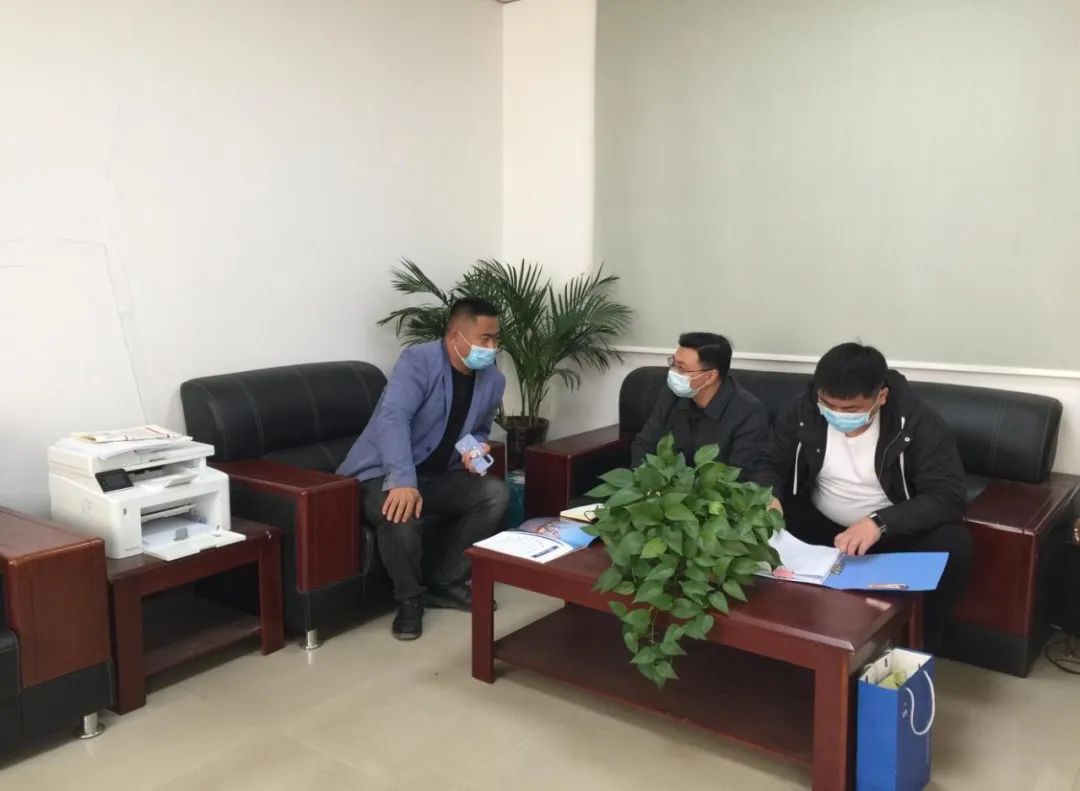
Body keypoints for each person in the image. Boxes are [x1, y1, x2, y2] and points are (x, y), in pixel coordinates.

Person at [760, 342, 972, 651]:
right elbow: (769, 462)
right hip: (820, 524)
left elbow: (948, 495)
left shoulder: (917, 422)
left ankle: (915, 644)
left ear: (881, 397)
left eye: (850, 410)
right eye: (828, 404)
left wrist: (878, 523)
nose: (836, 415)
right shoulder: (803, 411)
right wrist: (769, 497)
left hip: (888, 531)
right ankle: (786, 632)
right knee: (759, 516)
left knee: (954, 544)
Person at [337, 297, 510, 640]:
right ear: (455, 337)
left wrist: (475, 449)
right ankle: (409, 599)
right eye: (485, 339)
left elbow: (479, 429)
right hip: (382, 472)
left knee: (494, 494)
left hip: (437, 476)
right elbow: (393, 418)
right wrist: (402, 480)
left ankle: (446, 583)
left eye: (496, 339)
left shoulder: (493, 380)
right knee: (401, 510)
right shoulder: (418, 362)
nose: (492, 348)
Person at [631, 332, 772, 485]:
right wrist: (644, 484)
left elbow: (738, 474)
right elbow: (645, 443)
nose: (673, 372)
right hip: (662, 490)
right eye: (673, 363)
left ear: (710, 377)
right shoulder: (671, 394)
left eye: (681, 368)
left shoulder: (748, 411)